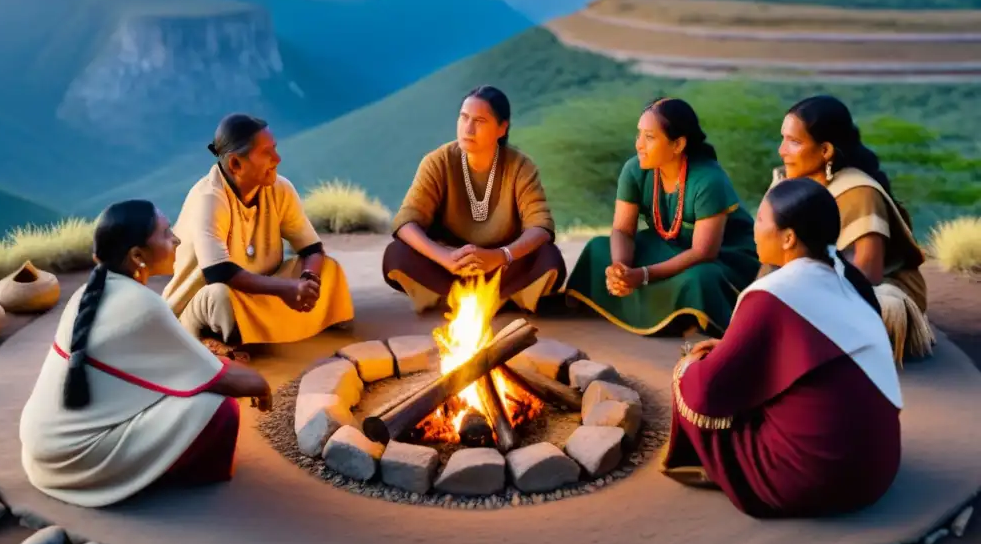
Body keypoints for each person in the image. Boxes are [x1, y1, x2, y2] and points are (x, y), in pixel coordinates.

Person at [661, 178, 903, 519]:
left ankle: (716, 467)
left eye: (760, 219)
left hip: (812, 480)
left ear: (788, 238)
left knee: (690, 374)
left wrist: (694, 362)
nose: (754, 229)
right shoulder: (848, 278)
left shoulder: (772, 297)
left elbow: (707, 394)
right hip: (876, 470)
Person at [20, 200, 272, 508]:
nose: (177, 240)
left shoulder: (88, 293)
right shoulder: (143, 306)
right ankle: (172, 477)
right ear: (137, 255)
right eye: (166, 234)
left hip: (43, 447)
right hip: (76, 460)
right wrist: (261, 384)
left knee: (187, 383)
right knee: (220, 409)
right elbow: (227, 380)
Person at [564, 97, 759, 336]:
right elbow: (623, 230)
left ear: (677, 144)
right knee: (597, 249)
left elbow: (703, 252)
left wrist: (643, 275)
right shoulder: (634, 169)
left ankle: (686, 316)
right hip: (667, 245)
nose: (639, 145)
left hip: (722, 258)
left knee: (700, 279)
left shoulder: (709, 180)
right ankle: (664, 309)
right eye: (639, 135)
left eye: (649, 137)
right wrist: (621, 269)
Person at [163, 114, 354, 355]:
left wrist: (308, 280)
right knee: (220, 297)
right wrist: (286, 290)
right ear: (235, 164)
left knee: (328, 269)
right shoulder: (209, 198)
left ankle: (256, 334)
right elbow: (218, 272)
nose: (277, 159)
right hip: (208, 297)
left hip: (264, 285)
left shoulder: (280, 188)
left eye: (275, 149)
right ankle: (217, 336)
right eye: (267, 153)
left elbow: (311, 248)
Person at [774, 95, 933, 363]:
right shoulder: (787, 183)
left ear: (825, 150)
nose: (782, 150)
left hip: (871, 289)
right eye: (783, 138)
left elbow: (866, 275)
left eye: (794, 142)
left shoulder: (859, 192)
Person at [383, 86, 566, 313]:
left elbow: (540, 226)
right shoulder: (438, 161)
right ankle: (494, 300)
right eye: (464, 117)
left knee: (549, 258)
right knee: (397, 255)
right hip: (450, 265)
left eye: (480, 121)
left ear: (502, 128)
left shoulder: (520, 166)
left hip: (501, 265)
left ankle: (454, 300)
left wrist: (500, 256)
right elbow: (406, 222)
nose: (468, 129)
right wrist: (445, 257)